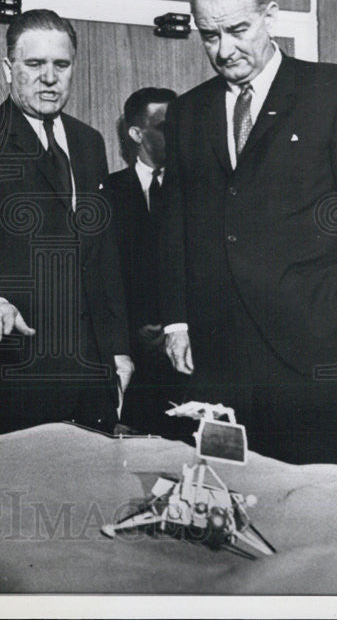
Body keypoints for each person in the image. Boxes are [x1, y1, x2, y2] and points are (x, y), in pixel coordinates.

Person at [160, 0, 337, 474]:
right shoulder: (187, 113)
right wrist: (178, 321)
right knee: (230, 502)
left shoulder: (336, 91)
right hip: (220, 360)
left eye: (238, 30)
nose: (224, 50)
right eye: (209, 36)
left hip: (318, 350)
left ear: (270, 17)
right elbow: (174, 226)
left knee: (321, 509)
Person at [0, 9, 133, 435]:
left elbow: (104, 252)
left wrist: (117, 349)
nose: (49, 78)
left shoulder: (89, 142)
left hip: (93, 371)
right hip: (18, 370)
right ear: (9, 69)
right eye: (34, 64)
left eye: (61, 65)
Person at [108, 87, 188, 437]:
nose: (177, 136)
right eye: (166, 126)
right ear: (136, 133)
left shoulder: (198, 191)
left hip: (188, 361)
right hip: (130, 364)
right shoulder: (105, 194)